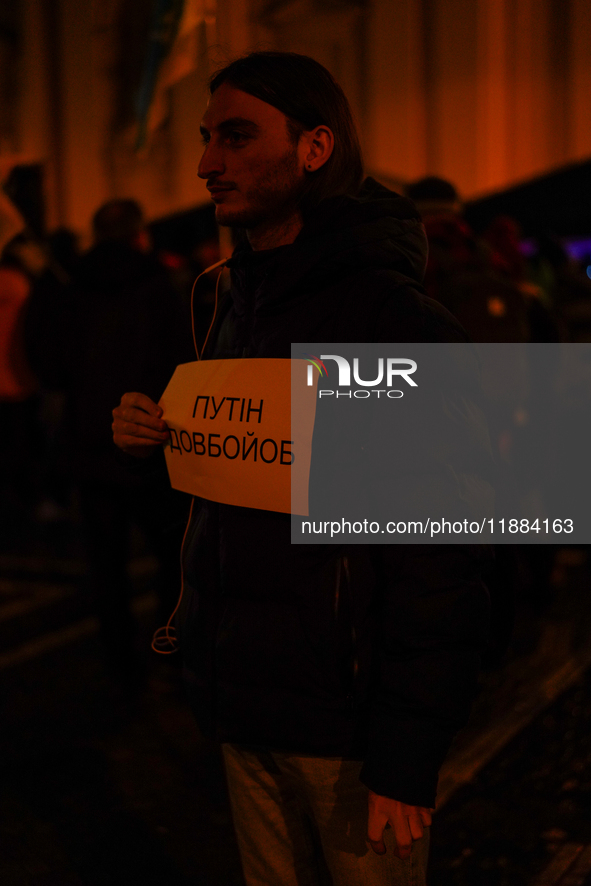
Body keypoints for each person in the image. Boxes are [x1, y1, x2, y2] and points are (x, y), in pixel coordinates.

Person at [113, 52, 491, 885]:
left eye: (237, 137)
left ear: (316, 147)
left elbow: (441, 558)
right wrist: (151, 450)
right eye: (208, 138)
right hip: (244, 711)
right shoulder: (232, 303)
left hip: (348, 736)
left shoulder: (387, 320)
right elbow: (214, 513)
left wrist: (403, 753)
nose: (207, 161)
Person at [28, 199, 193, 676]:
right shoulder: (158, 283)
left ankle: (119, 663)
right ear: (138, 233)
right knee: (170, 558)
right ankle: (171, 652)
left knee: (107, 567)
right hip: (150, 442)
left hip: (88, 442)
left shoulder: (67, 285)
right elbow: (180, 355)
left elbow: (49, 359)